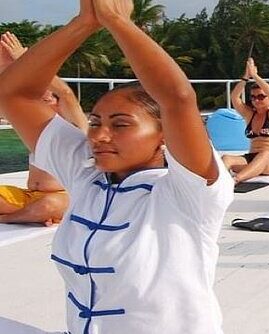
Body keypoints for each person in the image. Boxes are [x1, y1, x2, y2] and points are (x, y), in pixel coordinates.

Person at [0, 1, 233, 333]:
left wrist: (116, 20)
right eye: (95, 123)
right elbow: (14, 93)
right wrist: (83, 23)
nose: (100, 136)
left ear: (164, 133)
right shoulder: (85, 174)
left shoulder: (189, 193)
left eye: (121, 125)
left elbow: (177, 97)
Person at [0, 31, 88, 226]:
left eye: (48, 98)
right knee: (42, 206)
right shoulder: (37, 129)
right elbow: (7, 97)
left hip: (62, 196)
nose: (42, 101)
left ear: (58, 104)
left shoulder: (76, 125)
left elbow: (65, 93)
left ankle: (10, 218)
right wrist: (8, 68)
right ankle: (30, 214)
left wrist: (27, 61)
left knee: (50, 205)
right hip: (28, 195)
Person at [221, 58, 269, 183]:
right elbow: (234, 97)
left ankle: (235, 180)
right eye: (253, 97)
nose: (256, 100)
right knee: (226, 158)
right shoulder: (249, 114)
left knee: (264, 154)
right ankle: (217, 182)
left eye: (261, 97)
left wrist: (255, 76)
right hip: (251, 158)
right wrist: (246, 77)